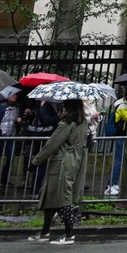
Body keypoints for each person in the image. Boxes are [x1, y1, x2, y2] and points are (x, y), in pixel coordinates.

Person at [28, 99, 88, 244]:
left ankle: (69, 234)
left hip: (63, 161)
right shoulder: (82, 122)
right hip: (76, 160)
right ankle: (45, 231)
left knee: (62, 196)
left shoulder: (66, 124)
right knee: (51, 195)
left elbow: (51, 144)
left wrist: (36, 162)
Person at [104, 90, 127, 195]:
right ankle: (111, 185)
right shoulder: (122, 105)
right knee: (119, 160)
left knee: (120, 160)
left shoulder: (125, 104)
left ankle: (114, 183)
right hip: (121, 135)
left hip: (124, 135)